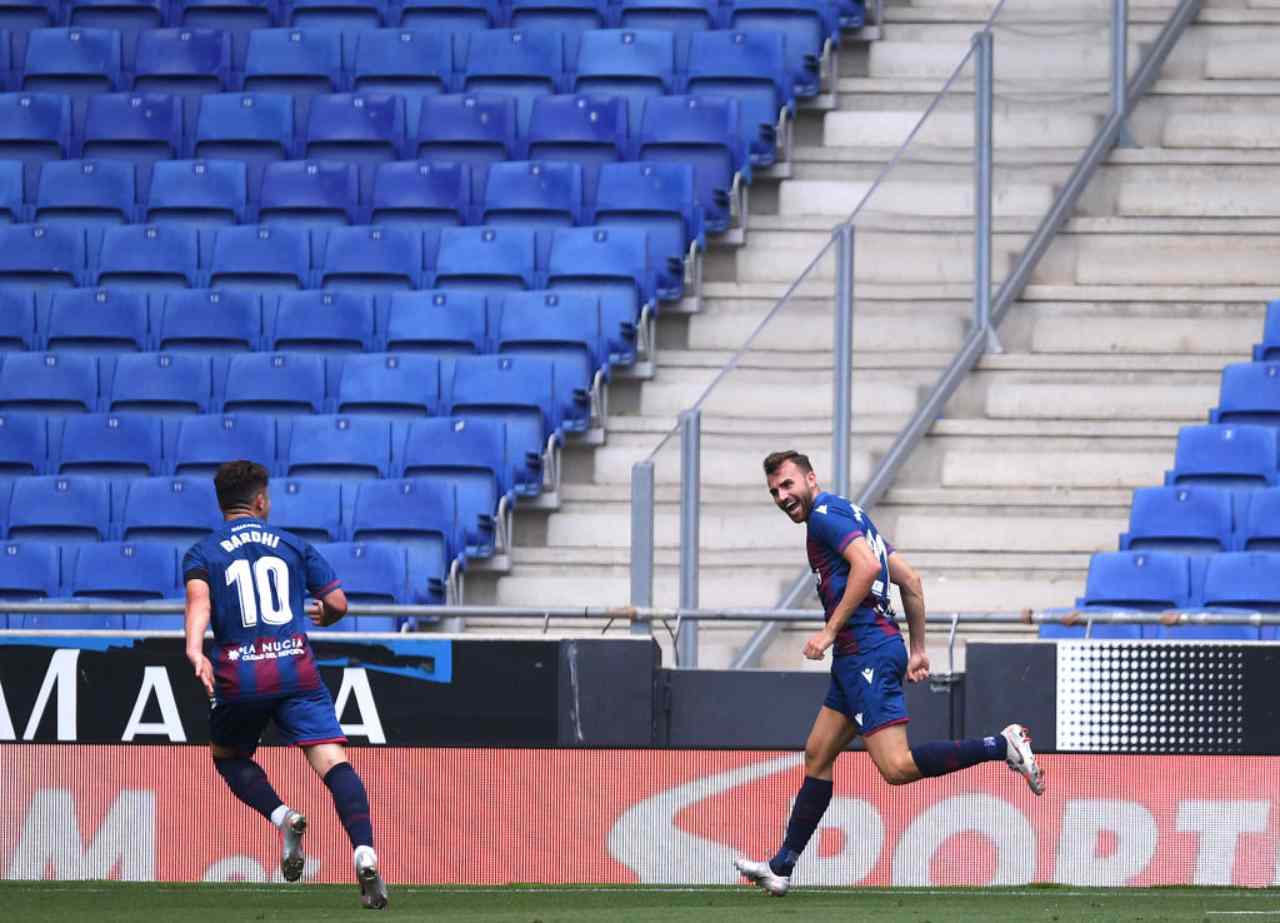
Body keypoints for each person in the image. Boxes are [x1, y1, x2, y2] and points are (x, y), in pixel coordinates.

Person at [734, 450, 1045, 896]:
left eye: (787, 485)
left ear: (810, 478)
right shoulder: (850, 514)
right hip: (861, 655)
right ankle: (782, 866)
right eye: (774, 492)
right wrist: (918, 649)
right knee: (818, 753)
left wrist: (828, 631)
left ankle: (1002, 745)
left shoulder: (824, 516)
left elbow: (870, 567)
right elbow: (911, 580)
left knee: (896, 767)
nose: (782, 496)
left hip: (866, 653)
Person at [183, 460, 388, 911]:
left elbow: (199, 602)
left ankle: (284, 817)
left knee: (229, 756)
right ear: (261, 501)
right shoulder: (292, 544)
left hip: (240, 675)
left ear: (222, 505)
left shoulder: (203, 552)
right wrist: (327, 616)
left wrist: (195, 649)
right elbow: (337, 602)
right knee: (334, 762)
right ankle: (364, 851)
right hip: (296, 671)